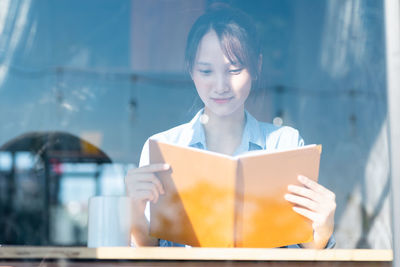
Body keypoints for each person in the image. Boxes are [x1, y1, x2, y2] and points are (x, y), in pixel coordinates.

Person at [125, 5, 336, 249]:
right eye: (206, 71)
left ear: (257, 66)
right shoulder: (162, 148)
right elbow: (146, 253)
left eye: (234, 70)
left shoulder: (284, 144)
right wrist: (135, 212)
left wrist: (323, 229)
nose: (221, 85)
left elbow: (305, 251)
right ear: (190, 69)